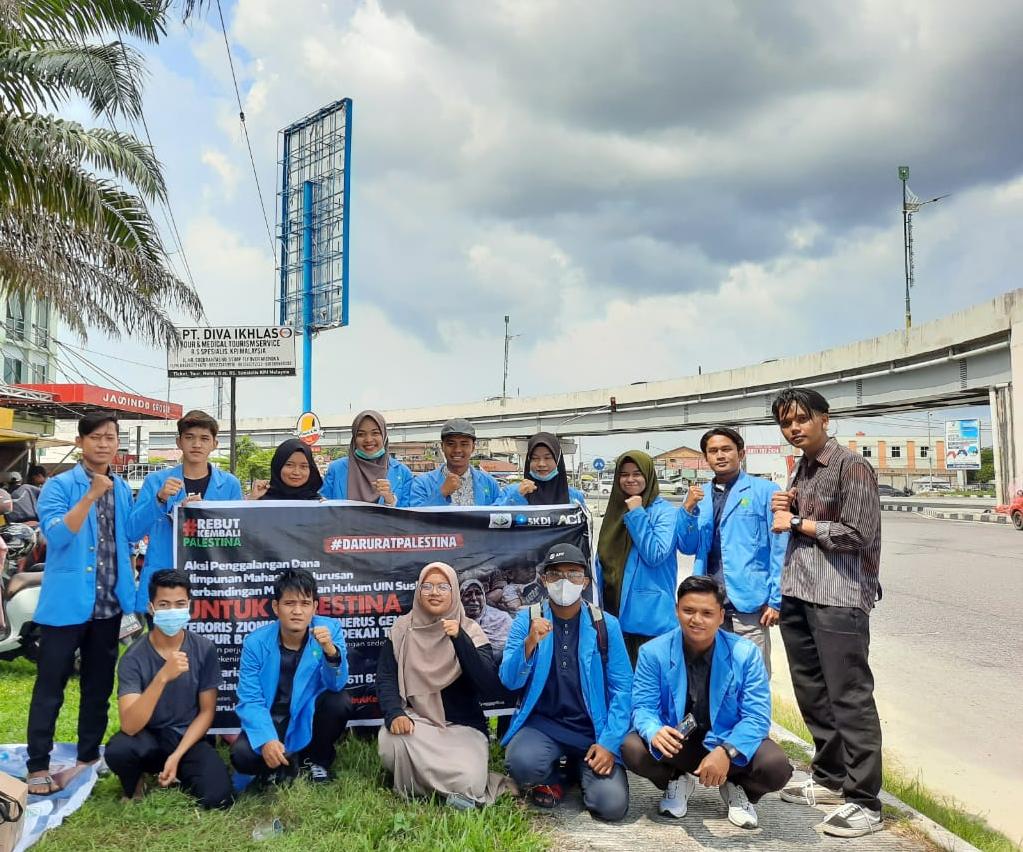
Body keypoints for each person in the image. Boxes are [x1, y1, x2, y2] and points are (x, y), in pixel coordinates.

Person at [769, 387, 884, 837]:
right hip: (798, 590)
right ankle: (831, 778)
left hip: (839, 596)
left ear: (824, 418)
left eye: (801, 419)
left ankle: (865, 801)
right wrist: (790, 506)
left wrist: (797, 522)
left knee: (849, 697)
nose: (794, 428)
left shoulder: (851, 466)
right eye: (786, 423)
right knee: (813, 693)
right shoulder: (802, 466)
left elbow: (858, 533)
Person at [622, 576, 792, 829]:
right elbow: (643, 706)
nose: (697, 619)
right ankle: (676, 780)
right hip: (679, 743)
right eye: (688, 610)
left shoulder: (745, 654)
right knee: (632, 747)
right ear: (676, 610)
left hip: (727, 742)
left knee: (776, 766)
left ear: (721, 616)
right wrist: (654, 730)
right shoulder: (653, 652)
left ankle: (738, 787)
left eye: (707, 613)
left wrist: (727, 751)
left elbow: (756, 717)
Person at [26, 411, 137, 795]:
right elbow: (56, 537)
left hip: (108, 605)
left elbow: (129, 536)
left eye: (111, 437)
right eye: (96, 437)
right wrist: (90, 495)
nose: (104, 444)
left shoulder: (121, 488)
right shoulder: (59, 486)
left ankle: (88, 755)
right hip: (65, 607)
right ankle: (37, 764)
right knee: (50, 687)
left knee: (98, 687)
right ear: (80, 442)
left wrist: (158, 501)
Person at [500, 544, 633, 822]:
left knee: (611, 805)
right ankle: (554, 778)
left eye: (573, 574)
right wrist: (530, 643)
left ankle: (578, 768)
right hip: (543, 725)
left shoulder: (605, 625)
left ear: (585, 581)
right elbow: (509, 681)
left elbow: (623, 690)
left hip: (591, 730)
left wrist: (609, 744)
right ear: (544, 579)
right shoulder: (527, 619)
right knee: (522, 763)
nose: (564, 581)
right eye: (556, 574)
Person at [376, 562, 515, 806]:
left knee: (469, 781)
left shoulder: (470, 630)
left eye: (443, 587)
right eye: (427, 586)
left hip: (462, 729)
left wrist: (460, 639)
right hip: (420, 723)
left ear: (453, 593)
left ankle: (421, 781)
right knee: (390, 743)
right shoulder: (402, 630)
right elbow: (386, 677)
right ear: (418, 591)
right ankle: (445, 790)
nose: (434, 592)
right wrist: (395, 713)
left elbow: (487, 685)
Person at [104, 569, 231, 809]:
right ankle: (136, 781)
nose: (173, 610)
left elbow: (207, 712)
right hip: (148, 739)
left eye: (180, 604)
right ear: (151, 608)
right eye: (164, 604)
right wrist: (162, 677)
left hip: (188, 739)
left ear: (189, 606)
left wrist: (177, 755)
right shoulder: (133, 657)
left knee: (219, 798)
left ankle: (177, 771)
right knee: (119, 750)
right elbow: (130, 725)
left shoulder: (204, 649)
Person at [676, 427, 787, 674]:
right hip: (709, 601)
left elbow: (780, 548)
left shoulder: (765, 491)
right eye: (713, 451)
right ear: (706, 458)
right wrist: (688, 509)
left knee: (752, 672)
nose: (720, 455)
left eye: (726, 449)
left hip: (750, 601)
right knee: (712, 672)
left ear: (741, 454)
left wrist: (776, 600)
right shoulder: (700, 495)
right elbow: (687, 546)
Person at [230, 569, 351, 784]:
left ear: (314, 607)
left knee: (339, 700)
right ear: (276, 607)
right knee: (242, 756)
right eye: (289, 603)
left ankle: (316, 761)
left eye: (305, 603)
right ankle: (280, 761)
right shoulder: (255, 643)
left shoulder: (329, 630)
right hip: (272, 717)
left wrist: (330, 652)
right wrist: (266, 739)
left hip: (307, 713)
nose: (297, 611)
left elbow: (336, 684)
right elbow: (250, 700)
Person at [129, 410, 242, 613]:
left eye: (204, 438)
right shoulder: (156, 482)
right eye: (189, 437)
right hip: (163, 584)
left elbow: (238, 538)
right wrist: (160, 499)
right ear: (179, 442)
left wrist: (205, 513)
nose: (196, 444)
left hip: (212, 583)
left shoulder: (229, 484)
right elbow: (133, 532)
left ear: (215, 444)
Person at [596, 451, 678, 665]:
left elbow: (655, 554)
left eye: (637, 473)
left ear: (649, 475)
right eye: (624, 474)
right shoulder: (615, 511)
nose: (630, 479)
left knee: (647, 680)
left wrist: (637, 513)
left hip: (647, 619)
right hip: (612, 613)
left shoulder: (665, 512)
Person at [320, 410, 413, 506]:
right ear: (354, 438)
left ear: (384, 435)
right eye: (361, 434)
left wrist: (390, 500)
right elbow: (324, 505)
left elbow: (409, 512)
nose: (368, 440)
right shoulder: (336, 469)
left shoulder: (403, 473)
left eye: (375, 433)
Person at [410, 419, 501, 507]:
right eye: (451, 444)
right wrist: (442, 493)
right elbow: (415, 516)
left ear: (473, 447)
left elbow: (500, 515)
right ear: (442, 447)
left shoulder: (489, 483)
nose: (457, 450)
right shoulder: (422, 483)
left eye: (464, 444)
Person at [495, 433, 586, 507]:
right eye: (535, 458)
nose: (541, 464)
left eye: (548, 458)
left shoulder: (574, 497)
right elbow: (491, 518)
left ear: (558, 461)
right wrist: (516, 496)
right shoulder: (511, 492)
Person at [248, 438, 323, 501]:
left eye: (303, 466)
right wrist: (252, 501)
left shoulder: (318, 502)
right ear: (278, 466)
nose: (296, 472)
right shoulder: (260, 498)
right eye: (289, 465)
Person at [460, 578, 513, 658]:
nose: (474, 598)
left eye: (478, 593)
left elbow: (513, 647)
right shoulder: (455, 620)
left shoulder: (502, 619)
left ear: (484, 597)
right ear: (460, 599)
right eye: (468, 594)